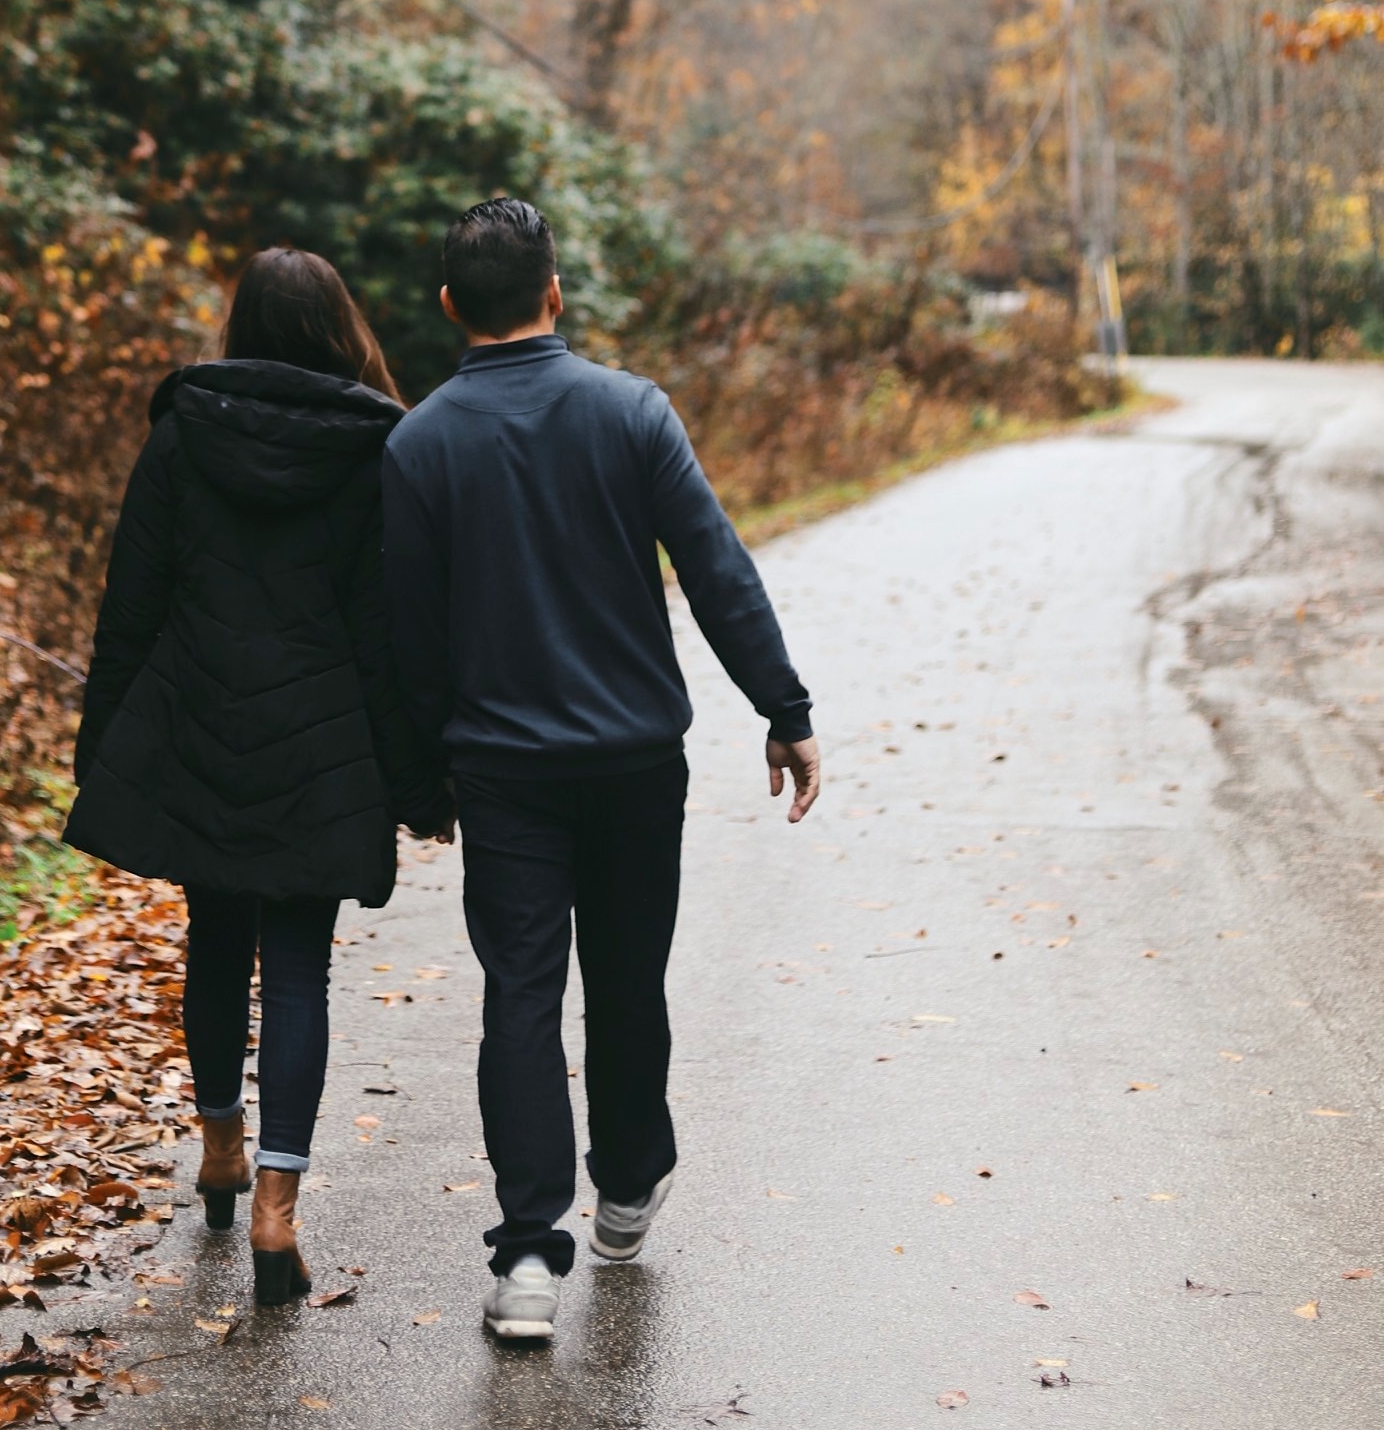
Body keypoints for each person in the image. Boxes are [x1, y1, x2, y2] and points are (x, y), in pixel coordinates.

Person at [382, 195, 820, 1344]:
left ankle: (528, 1257)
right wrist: (783, 707)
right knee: (628, 978)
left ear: (446, 308)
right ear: (555, 291)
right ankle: (625, 1189)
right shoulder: (632, 414)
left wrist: (421, 785)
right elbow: (717, 569)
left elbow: (407, 644)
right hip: (633, 763)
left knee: (520, 996)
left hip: (504, 775)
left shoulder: (419, 444)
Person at [66, 247, 449, 1306]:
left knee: (215, 941)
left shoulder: (183, 432)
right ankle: (277, 1210)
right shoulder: (379, 449)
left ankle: (220, 1150)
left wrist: (101, 750)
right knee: (297, 970)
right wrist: (417, 783)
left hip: (197, 724)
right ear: (340, 328)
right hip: (321, 744)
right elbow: (388, 637)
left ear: (241, 323)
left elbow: (129, 605)